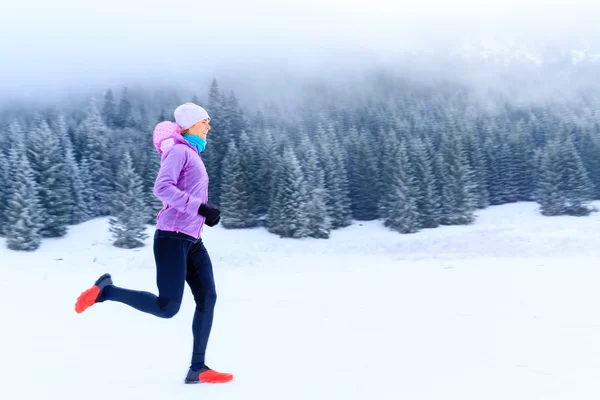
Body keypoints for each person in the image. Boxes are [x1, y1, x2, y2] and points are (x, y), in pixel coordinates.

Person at [74, 102, 232, 384]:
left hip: (192, 239)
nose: (209, 126)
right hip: (172, 237)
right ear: (189, 125)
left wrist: (202, 214)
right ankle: (106, 291)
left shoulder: (192, 153)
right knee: (167, 307)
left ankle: (198, 367)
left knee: (208, 297)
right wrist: (200, 208)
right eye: (205, 121)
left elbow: (187, 196)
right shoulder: (178, 151)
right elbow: (162, 188)